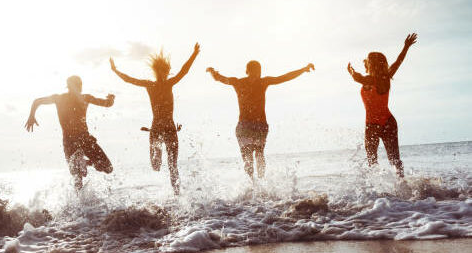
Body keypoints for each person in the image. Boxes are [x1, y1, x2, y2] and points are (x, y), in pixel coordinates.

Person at [109, 43, 200, 195]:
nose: (164, 74)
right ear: (157, 71)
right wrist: (115, 70)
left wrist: (194, 54)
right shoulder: (151, 85)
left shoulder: (166, 83)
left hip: (166, 128)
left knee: (171, 165)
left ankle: (177, 194)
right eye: (161, 71)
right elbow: (129, 80)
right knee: (157, 165)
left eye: (165, 71)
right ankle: (176, 192)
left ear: (166, 72)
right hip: (159, 128)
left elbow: (184, 71)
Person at [206, 61, 314, 179]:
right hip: (256, 125)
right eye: (256, 71)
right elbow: (284, 78)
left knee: (251, 156)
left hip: (249, 126)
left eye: (258, 72)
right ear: (248, 71)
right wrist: (303, 69)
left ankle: (253, 184)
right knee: (258, 154)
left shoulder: (239, 82)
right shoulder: (261, 82)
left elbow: (219, 78)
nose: (257, 74)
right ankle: (259, 184)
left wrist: (212, 72)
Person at [25, 75, 115, 190]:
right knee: (107, 168)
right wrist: (112, 97)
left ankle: (84, 163)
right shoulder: (85, 98)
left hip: (70, 141)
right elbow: (107, 104)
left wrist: (31, 116)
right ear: (78, 86)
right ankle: (87, 163)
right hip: (84, 140)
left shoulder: (59, 98)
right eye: (79, 85)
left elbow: (37, 101)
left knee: (79, 179)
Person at [347, 33, 417, 178]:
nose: (365, 62)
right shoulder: (386, 77)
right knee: (395, 160)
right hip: (388, 122)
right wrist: (406, 47)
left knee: (372, 162)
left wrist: (351, 71)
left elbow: (356, 77)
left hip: (372, 125)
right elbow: (399, 61)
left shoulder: (369, 80)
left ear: (370, 64)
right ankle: (402, 188)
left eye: (367, 61)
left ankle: (378, 194)